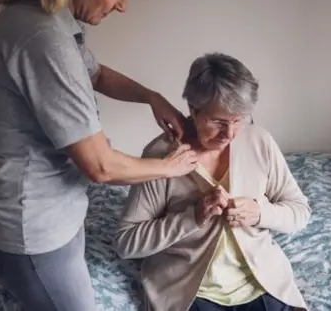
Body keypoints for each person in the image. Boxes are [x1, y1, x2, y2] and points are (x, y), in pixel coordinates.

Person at [0, 0, 198, 310]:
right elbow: (100, 166)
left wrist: (151, 97)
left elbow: (96, 75)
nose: (122, 6)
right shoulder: (42, 38)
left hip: (49, 218)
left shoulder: (52, 23)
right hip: (33, 233)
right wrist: (170, 167)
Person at [113, 53, 312, 311]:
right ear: (193, 111)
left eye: (238, 120)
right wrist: (191, 218)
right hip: (192, 292)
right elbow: (126, 242)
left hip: (260, 283)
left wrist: (260, 212)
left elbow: (300, 211)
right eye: (218, 122)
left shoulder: (259, 142)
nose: (229, 134)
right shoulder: (162, 155)